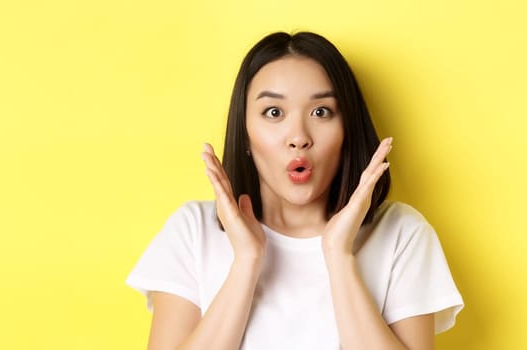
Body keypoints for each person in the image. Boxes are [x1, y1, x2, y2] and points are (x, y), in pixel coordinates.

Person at [125, 31, 463, 349]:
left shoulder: (401, 233)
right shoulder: (192, 230)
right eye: (274, 112)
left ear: (347, 130)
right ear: (245, 133)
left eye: (321, 112)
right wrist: (246, 260)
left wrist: (338, 255)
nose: (298, 136)